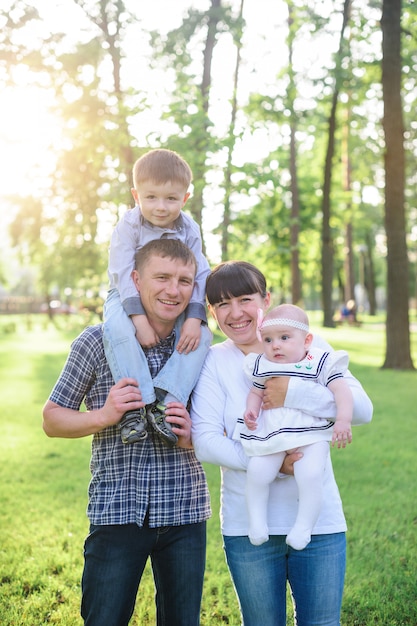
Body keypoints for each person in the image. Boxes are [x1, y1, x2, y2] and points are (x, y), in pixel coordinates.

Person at [191, 261, 373, 626]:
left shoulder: (309, 346)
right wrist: (273, 460)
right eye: (222, 304)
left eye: (245, 299)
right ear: (211, 311)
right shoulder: (214, 361)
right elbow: (206, 442)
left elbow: (362, 409)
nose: (236, 312)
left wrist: (292, 392)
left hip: (319, 523)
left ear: (266, 300)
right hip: (248, 527)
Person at [43, 239, 212, 626]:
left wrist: (192, 434)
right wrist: (104, 415)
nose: (174, 290)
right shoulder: (96, 341)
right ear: (135, 280)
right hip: (117, 510)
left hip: (184, 513)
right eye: (163, 277)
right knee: (104, 618)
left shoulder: (201, 349)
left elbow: (222, 431)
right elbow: (52, 419)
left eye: (185, 281)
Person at [104, 148, 211, 446]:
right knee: (116, 329)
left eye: (171, 199)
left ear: (185, 198)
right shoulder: (129, 225)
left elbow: (200, 273)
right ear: (136, 195)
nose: (161, 207)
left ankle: (166, 401)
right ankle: (136, 406)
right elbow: (122, 271)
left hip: (173, 296)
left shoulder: (189, 229)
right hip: (126, 292)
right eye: (151, 197)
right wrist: (137, 317)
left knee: (201, 337)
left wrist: (193, 317)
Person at [237, 303, 353, 549]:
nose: (275, 345)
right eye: (267, 340)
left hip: (312, 434)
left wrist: (343, 419)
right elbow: (256, 392)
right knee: (258, 471)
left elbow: (342, 392)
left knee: (310, 474)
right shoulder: (262, 363)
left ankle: (304, 527)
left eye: (284, 338)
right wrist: (251, 409)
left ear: (307, 340)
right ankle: (257, 522)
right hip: (273, 431)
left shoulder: (319, 362)